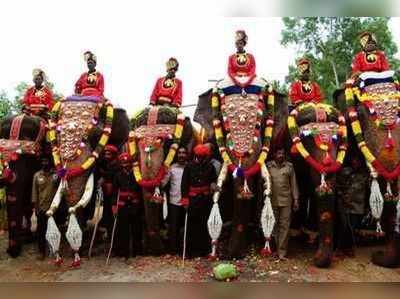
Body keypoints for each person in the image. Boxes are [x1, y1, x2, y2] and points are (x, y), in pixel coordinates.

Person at [180, 144, 217, 258]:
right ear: (195, 155)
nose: (201, 158)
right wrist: (185, 200)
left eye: (203, 157)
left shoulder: (210, 166)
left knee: (204, 225)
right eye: (199, 156)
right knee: (192, 226)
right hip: (193, 200)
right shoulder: (189, 167)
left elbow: (213, 179)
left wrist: (213, 184)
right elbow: (184, 184)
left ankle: (204, 251)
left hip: (205, 199)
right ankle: (190, 252)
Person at [267, 148, 299, 260]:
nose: (281, 155)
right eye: (278, 153)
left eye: (282, 154)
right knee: (274, 225)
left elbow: (293, 184)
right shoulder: (269, 166)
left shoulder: (289, 167)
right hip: (272, 200)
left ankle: (282, 253)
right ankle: (276, 249)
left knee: (284, 226)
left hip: (286, 201)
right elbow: (264, 182)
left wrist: (296, 199)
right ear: (274, 154)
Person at [336, 155, 369, 257]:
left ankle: (349, 248)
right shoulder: (344, 171)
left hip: (357, 206)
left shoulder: (365, 174)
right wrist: (342, 195)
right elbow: (337, 185)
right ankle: (339, 248)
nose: (355, 162)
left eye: (357, 160)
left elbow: (366, 190)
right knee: (344, 226)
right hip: (344, 204)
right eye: (354, 160)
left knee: (352, 228)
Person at [112, 153, 143, 259]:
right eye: (123, 162)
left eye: (127, 162)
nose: (125, 164)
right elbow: (115, 192)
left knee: (136, 229)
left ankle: (136, 252)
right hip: (122, 205)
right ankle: (124, 252)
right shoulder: (117, 175)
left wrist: (139, 204)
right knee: (123, 230)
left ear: (130, 163)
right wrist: (114, 207)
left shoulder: (137, 174)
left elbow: (140, 190)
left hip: (134, 204)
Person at [161, 146, 188, 254]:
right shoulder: (172, 167)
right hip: (174, 201)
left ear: (187, 155)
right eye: (179, 153)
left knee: (186, 227)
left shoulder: (190, 167)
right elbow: (164, 182)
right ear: (177, 155)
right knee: (174, 227)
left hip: (187, 202)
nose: (181, 155)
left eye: (183, 153)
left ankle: (185, 249)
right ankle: (173, 250)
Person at [31, 156, 59, 259]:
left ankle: (55, 250)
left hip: (53, 208)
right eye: (43, 161)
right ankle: (42, 252)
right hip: (42, 208)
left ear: (50, 163)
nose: (44, 163)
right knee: (41, 231)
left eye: (46, 161)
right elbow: (34, 193)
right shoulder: (37, 176)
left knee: (54, 230)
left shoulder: (56, 175)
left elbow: (60, 187)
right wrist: (36, 208)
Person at [97, 144, 120, 238]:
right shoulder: (107, 164)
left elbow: (113, 177)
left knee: (112, 213)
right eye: (105, 154)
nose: (107, 156)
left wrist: (105, 177)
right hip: (107, 193)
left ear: (114, 155)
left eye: (109, 154)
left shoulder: (117, 166)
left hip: (115, 194)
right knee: (107, 211)